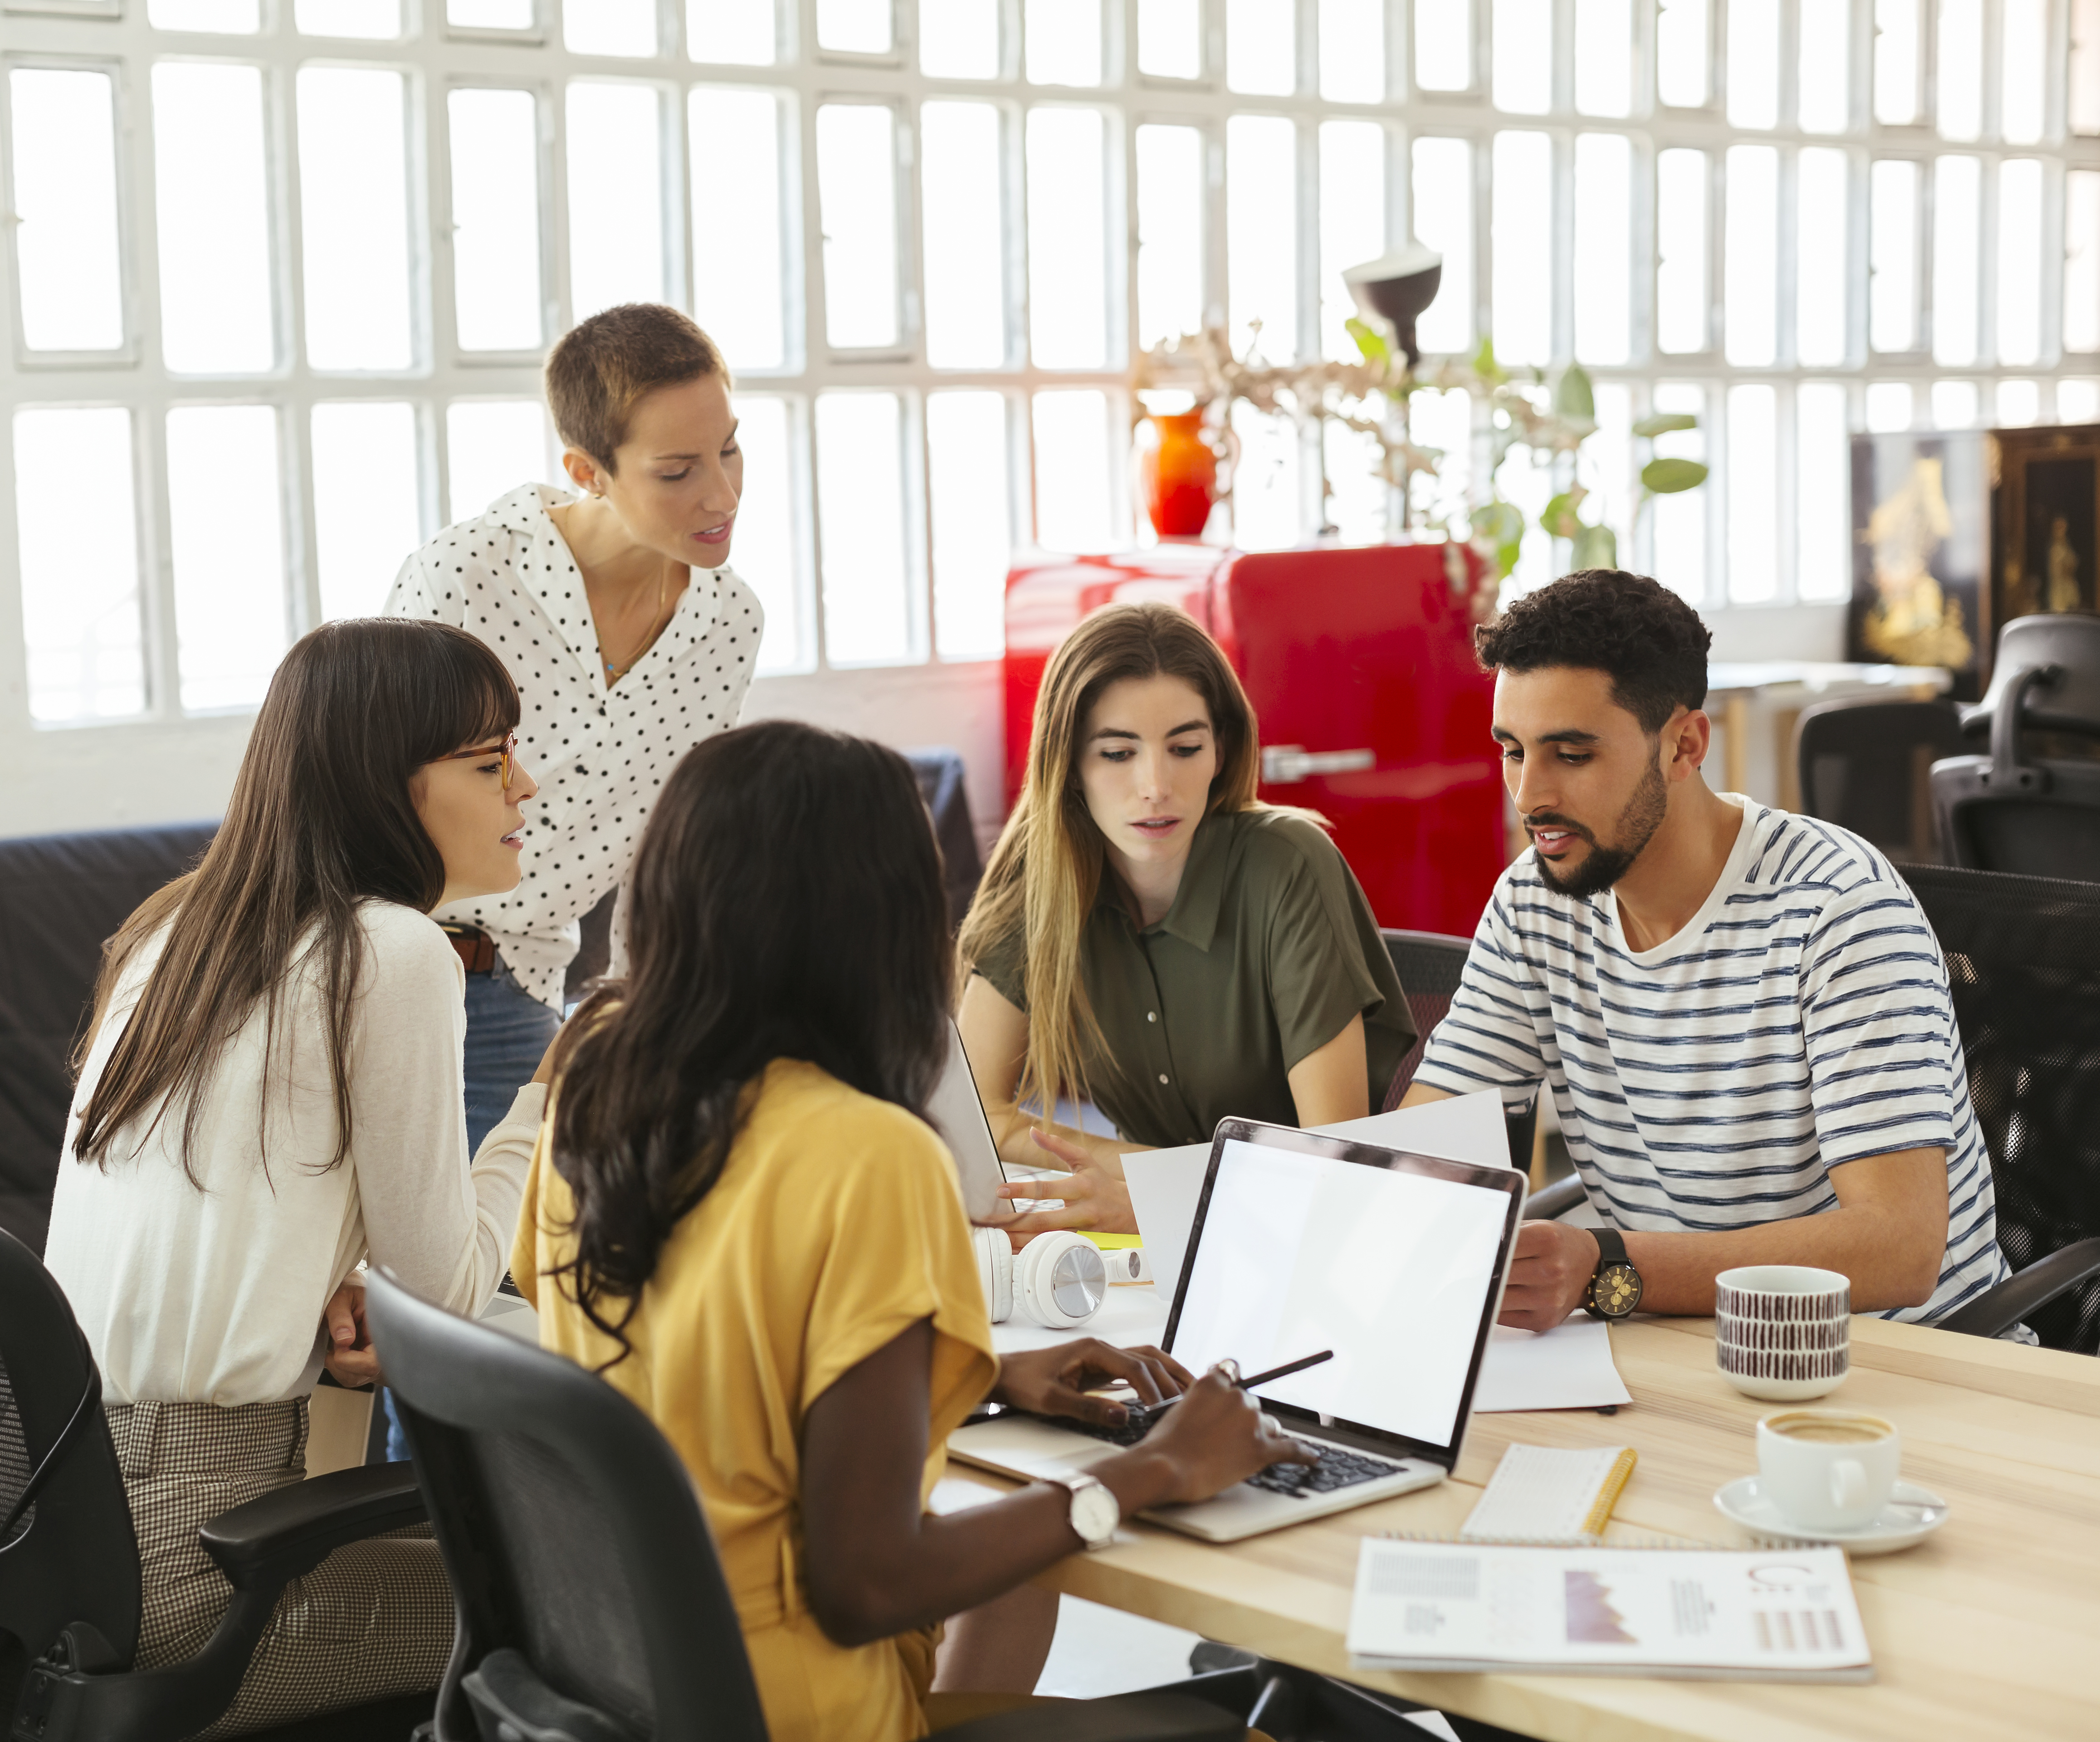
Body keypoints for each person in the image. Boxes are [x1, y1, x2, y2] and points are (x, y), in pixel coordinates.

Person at [508, 722, 1305, 1740]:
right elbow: (867, 1584)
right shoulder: (871, 1154)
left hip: (639, 1686)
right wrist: (1154, 1470)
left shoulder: (598, 1074)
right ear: (873, 920)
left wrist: (970, 1369)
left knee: (1020, 1563)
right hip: (801, 1710)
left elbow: (656, 1349)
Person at [44, 617, 538, 1736]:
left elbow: (235, 1214)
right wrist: (547, 1109)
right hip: (205, 1576)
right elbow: (452, 1292)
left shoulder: (178, 932)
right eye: (485, 761)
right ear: (383, 788)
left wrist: (343, 1278)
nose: (527, 784)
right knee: (615, 1598)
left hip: (67, 1535)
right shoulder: (392, 952)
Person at [1401, 568, 2008, 1331]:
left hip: (1901, 1369)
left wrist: (1607, 1268)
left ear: (1684, 746)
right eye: (1514, 751)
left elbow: (1898, 1249)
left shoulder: (1837, 907)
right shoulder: (1535, 902)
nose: (1529, 796)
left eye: (1573, 754)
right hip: (1687, 1346)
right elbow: (1424, 1148)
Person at [383, 302, 764, 1149]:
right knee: (399, 1274)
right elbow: (360, 792)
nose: (723, 494)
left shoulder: (728, 622)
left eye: (730, 448)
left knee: (530, 1266)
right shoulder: (466, 579)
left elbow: (672, 839)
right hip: (386, 975)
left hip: (523, 984)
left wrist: (639, 1020)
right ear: (589, 471)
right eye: (677, 471)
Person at [957, 602, 1419, 1235]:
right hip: (1157, 1260)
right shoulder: (1040, 879)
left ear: (1221, 753)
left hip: (1326, 1242)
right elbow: (975, 1112)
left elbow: (1332, 1169)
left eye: (1185, 747)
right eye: (1118, 753)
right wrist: (1164, 1181)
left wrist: (1161, 1197)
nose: (1155, 784)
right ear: (1071, 767)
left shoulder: (1288, 864)